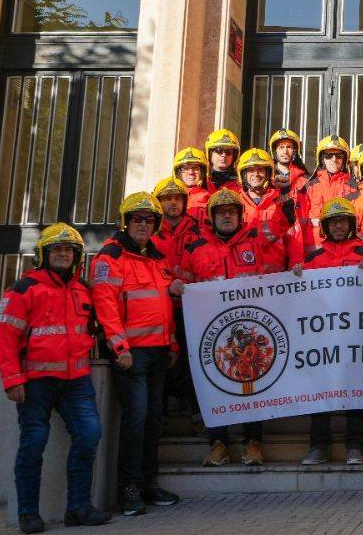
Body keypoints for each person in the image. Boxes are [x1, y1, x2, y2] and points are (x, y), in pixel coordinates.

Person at [0, 223, 111, 533]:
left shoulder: (84, 289)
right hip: (35, 382)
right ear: (43, 254)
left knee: (89, 434)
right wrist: (12, 379)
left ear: (77, 256)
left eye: (69, 250)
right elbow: (4, 337)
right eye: (56, 249)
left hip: (76, 380)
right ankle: (28, 514)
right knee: (33, 443)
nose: (62, 254)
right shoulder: (23, 288)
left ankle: (79, 508)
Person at [178, 188, 286, 467]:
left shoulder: (256, 241)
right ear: (211, 217)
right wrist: (177, 287)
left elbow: (282, 224)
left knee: (253, 385)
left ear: (240, 216)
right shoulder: (194, 249)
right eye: (221, 212)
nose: (227, 216)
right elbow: (183, 287)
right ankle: (218, 444)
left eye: (232, 212)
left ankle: (253, 443)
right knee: (213, 387)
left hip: (249, 330)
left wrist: (285, 192)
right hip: (210, 332)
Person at [90, 193, 181, 516]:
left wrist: (172, 342)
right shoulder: (110, 257)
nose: (143, 225)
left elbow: (164, 305)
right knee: (136, 421)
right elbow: (105, 304)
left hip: (158, 352)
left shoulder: (157, 257)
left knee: (153, 421)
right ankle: (128, 488)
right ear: (125, 222)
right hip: (132, 355)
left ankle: (148, 483)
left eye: (149, 220)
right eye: (137, 219)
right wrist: (119, 347)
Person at [295, 197, 363, 466]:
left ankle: (355, 446)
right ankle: (318, 446)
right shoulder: (313, 259)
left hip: (356, 336)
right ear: (325, 226)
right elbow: (301, 297)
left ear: (351, 224)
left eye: (343, 221)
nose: (339, 226)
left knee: (355, 392)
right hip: (322, 339)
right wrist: (296, 275)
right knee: (321, 393)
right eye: (333, 222)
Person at [151, 177, 203, 422]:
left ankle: (195, 410)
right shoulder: (149, 232)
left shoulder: (198, 231)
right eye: (167, 199)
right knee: (162, 362)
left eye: (177, 198)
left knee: (193, 359)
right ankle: (161, 414)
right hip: (158, 308)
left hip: (189, 308)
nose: (173, 203)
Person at [296, 134, 359, 254]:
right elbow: (297, 228)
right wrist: (298, 259)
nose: (334, 159)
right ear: (322, 159)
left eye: (339, 155)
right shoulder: (308, 189)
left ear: (345, 159)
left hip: (346, 256)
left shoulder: (355, 189)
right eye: (329, 155)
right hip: (313, 256)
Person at [172, 146, 211, 220]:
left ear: (202, 172)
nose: (191, 172)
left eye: (195, 168)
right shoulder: (168, 196)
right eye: (186, 168)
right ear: (178, 173)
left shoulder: (210, 198)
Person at [268, 128, 309, 197]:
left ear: (295, 151)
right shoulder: (267, 175)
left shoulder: (304, 177)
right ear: (275, 151)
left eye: (289, 147)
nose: (285, 152)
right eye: (281, 147)